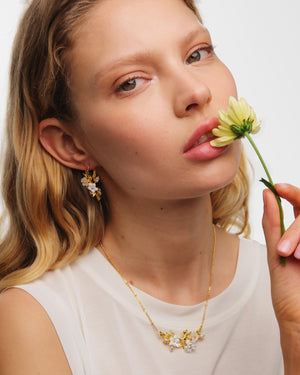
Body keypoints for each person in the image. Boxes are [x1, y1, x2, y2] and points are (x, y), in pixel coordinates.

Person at [0, 0, 299, 373]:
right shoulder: (35, 319)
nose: (196, 92)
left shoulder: (289, 284)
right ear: (71, 144)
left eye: (197, 54)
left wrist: (295, 332)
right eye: (131, 82)